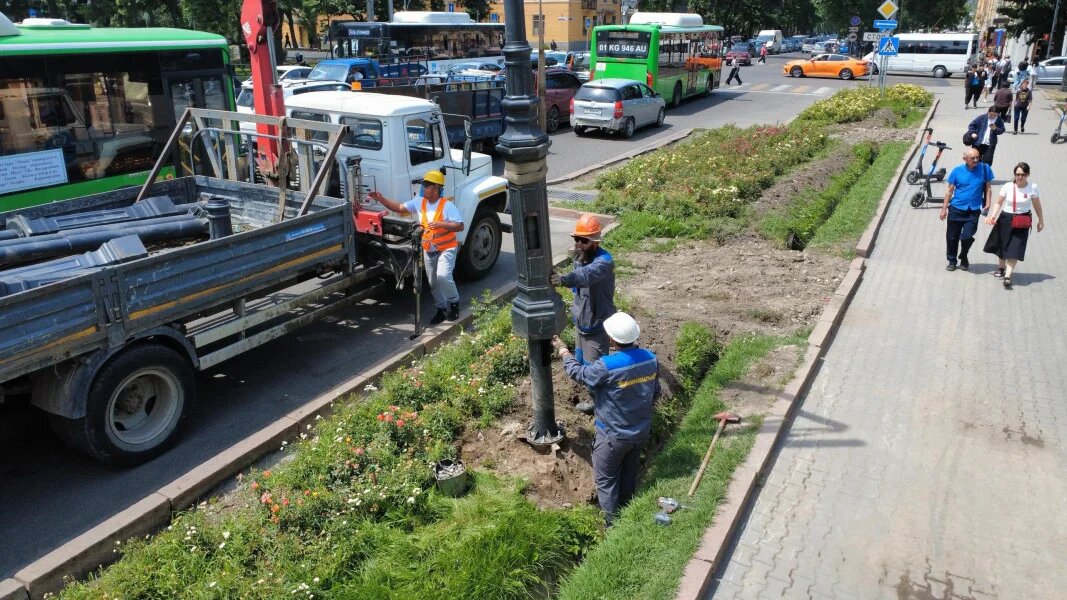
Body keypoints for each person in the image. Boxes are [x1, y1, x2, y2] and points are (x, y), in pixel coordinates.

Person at [551, 312, 659, 525]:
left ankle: (613, 525)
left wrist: (564, 351)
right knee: (628, 474)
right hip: (640, 431)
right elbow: (655, 393)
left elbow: (579, 373)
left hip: (612, 437)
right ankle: (628, 509)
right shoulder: (651, 358)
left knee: (607, 480)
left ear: (611, 339)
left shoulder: (607, 366)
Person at [368, 170, 464, 324]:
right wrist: (381, 199)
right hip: (429, 250)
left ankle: (454, 304)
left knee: (443, 276)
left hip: (446, 248)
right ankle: (441, 309)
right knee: (433, 283)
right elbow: (399, 207)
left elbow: (460, 226)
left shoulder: (447, 206)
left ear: (436, 188)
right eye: (423, 185)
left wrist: (441, 224)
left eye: (426, 185)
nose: (423, 188)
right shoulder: (420, 201)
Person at [550, 214, 615, 413]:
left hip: (596, 324)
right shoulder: (581, 257)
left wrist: (563, 280)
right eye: (576, 239)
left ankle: (599, 405)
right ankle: (589, 392)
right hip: (582, 322)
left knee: (595, 369)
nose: (578, 244)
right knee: (580, 360)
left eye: (583, 240)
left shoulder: (603, 262)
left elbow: (584, 276)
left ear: (594, 242)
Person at [983, 162, 1045, 288]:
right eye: (1017, 174)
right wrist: (993, 216)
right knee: (1003, 245)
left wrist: (1041, 220)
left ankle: (1007, 276)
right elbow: (998, 202)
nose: (1020, 177)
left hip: (1022, 220)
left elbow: (1036, 205)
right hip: (1006, 218)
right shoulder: (1007, 186)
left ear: (1027, 175)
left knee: (1015, 248)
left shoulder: (1033, 187)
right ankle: (1001, 267)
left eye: (1023, 174)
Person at [940, 147, 994, 272]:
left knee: (966, 236)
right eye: (972, 158)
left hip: (973, 210)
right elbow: (949, 191)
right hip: (956, 209)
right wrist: (944, 209)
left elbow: (988, 188)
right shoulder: (957, 171)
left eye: (977, 157)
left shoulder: (985, 169)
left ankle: (963, 255)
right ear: (965, 159)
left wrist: (988, 203)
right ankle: (952, 260)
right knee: (952, 237)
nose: (976, 160)